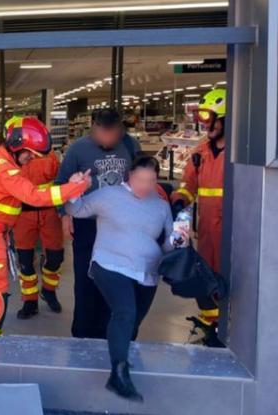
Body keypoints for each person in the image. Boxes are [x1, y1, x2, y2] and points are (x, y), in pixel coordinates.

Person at [64, 156, 183, 401]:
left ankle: (121, 360)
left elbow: (169, 244)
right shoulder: (109, 195)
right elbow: (76, 209)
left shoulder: (160, 206)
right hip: (109, 263)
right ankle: (118, 374)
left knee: (133, 321)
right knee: (125, 312)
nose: (145, 185)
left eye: (151, 180)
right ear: (129, 175)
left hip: (147, 271)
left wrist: (179, 240)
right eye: (140, 179)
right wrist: (74, 187)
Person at [0, 116, 90, 337]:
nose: (32, 158)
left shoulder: (5, 160)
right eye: (29, 153)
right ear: (15, 144)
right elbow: (32, 195)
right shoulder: (5, 168)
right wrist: (74, 188)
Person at [57, 108, 138, 339]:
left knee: (117, 280)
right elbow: (61, 183)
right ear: (93, 128)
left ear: (120, 130)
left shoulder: (130, 146)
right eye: (102, 134)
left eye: (112, 134)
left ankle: (110, 333)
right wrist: (65, 214)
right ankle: (82, 333)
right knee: (86, 280)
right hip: (87, 225)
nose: (107, 139)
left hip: (121, 227)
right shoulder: (78, 149)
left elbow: (142, 179)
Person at [170, 88, 227, 347]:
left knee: (232, 280)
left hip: (234, 229)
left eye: (210, 118)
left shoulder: (242, 150)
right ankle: (212, 327)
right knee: (204, 277)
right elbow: (188, 184)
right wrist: (180, 198)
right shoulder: (200, 151)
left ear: (225, 119)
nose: (205, 124)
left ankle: (230, 327)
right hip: (205, 228)